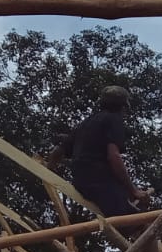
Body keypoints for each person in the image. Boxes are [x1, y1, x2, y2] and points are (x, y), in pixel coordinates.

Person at [47, 85, 152, 219]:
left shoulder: (85, 124)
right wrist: (134, 191)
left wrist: (49, 171)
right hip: (101, 183)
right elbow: (114, 156)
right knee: (136, 223)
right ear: (122, 107)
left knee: (127, 214)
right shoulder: (114, 120)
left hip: (81, 182)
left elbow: (57, 151)